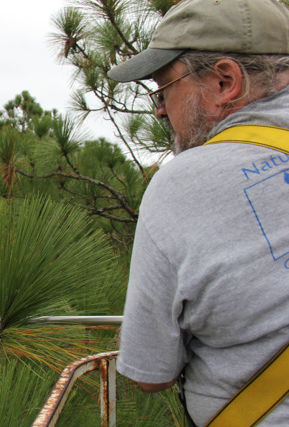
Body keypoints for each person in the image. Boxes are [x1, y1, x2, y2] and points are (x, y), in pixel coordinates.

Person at [107, 0, 289, 424]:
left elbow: (149, 374)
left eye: (164, 88)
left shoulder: (183, 183)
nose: (159, 109)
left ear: (225, 81)